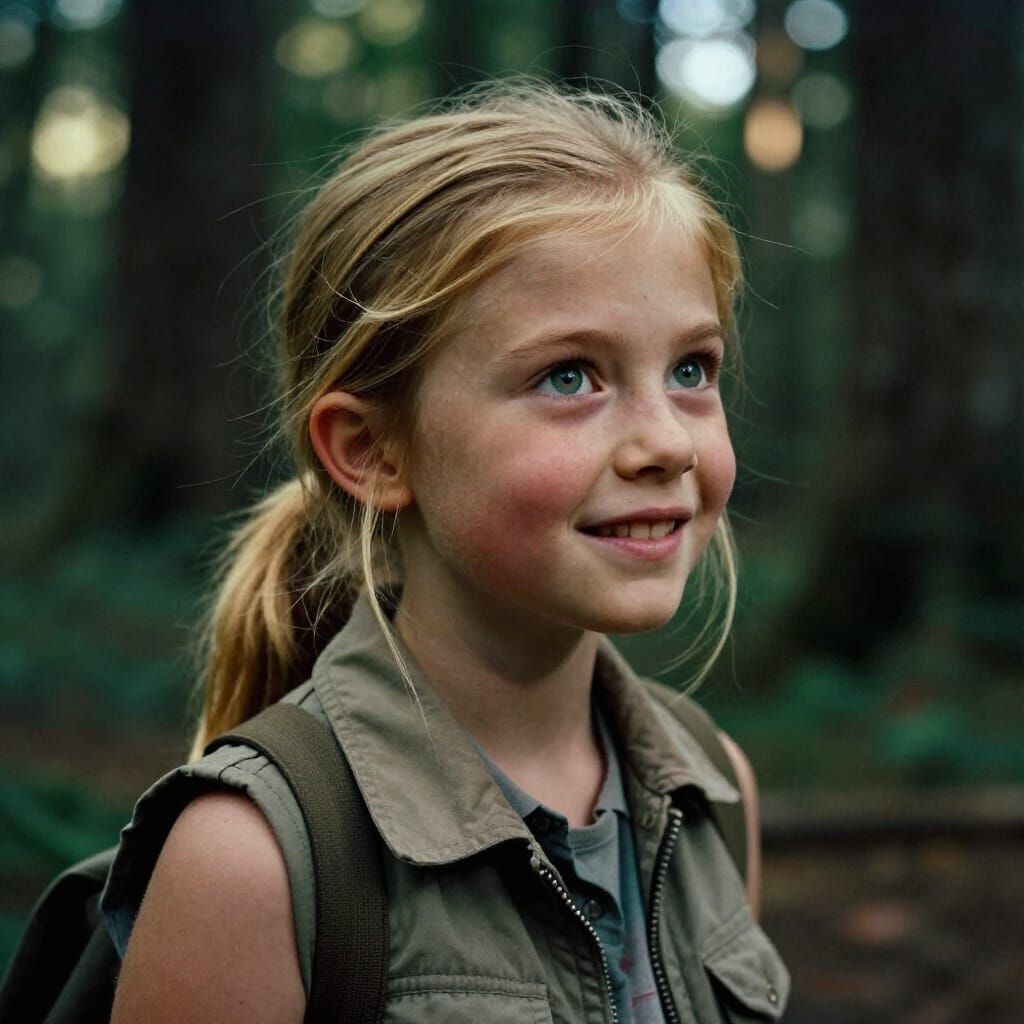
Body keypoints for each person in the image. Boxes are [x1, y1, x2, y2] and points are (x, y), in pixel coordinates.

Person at [103, 82, 789, 1023]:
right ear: (374, 452)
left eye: (690, 370)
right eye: (570, 377)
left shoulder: (712, 790)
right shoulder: (249, 861)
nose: (667, 443)